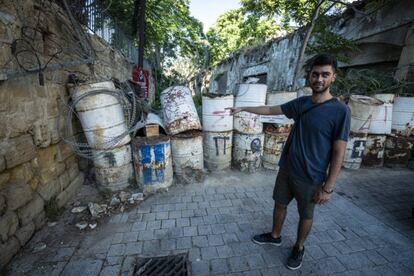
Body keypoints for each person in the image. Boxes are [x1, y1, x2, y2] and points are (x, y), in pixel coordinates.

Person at [226, 54, 351, 270]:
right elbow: (271, 110)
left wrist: (328, 188)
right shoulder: (302, 103)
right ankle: (275, 236)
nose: (319, 79)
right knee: (279, 204)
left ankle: (299, 247)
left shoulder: (340, 111)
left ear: (333, 77)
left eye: (325, 74)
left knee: (306, 215)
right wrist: (243, 108)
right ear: (309, 77)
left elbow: (339, 151)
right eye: (315, 74)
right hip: (287, 170)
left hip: (312, 176)